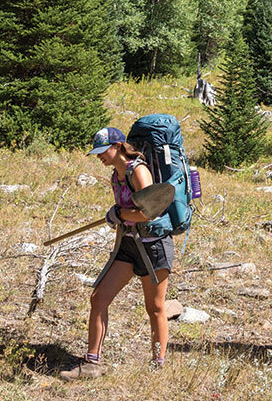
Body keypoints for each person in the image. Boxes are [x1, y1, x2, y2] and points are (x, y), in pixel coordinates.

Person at [60, 127, 174, 379]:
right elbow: (129, 214)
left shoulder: (139, 171)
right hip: (129, 244)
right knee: (99, 298)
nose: (99, 156)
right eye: (97, 152)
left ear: (118, 147)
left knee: (154, 307)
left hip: (154, 246)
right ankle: (92, 364)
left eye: (103, 151)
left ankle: (158, 366)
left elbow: (149, 212)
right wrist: (118, 223)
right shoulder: (116, 175)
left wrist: (120, 214)